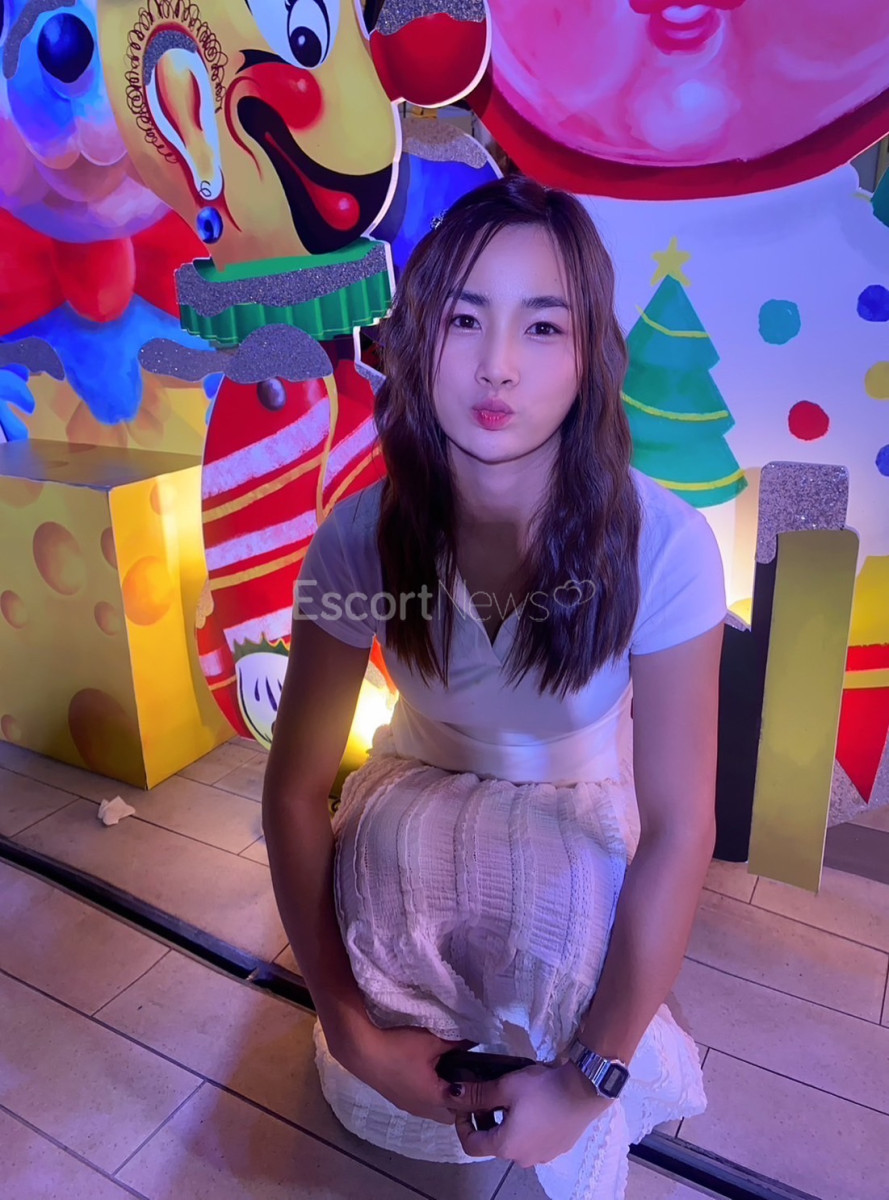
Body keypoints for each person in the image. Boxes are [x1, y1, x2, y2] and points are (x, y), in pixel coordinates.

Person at [261, 175, 727, 1200]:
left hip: (574, 827)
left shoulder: (666, 546)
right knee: (392, 854)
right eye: (464, 318)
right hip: (408, 815)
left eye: (543, 326)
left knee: (567, 890)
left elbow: (680, 827)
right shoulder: (357, 537)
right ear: (416, 337)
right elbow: (292, 789)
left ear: (590, 356)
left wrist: (591, 1081)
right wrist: (348, 1026)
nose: (497, 365)